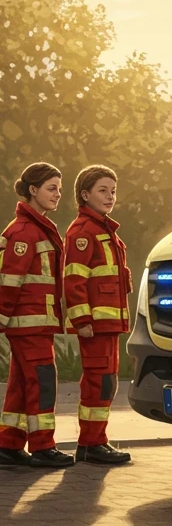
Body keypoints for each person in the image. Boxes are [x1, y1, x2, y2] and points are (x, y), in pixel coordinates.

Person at [0, 163, 74, 469]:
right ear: (33, 190)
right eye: (51, 188)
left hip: (37, 323)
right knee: (43, 382)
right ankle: (43, 447)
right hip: (28, 324)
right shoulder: (23, 232)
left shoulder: (38, 228)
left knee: (22, 384)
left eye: (59, 188)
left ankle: (8, 444)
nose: (58, 194)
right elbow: (8, 281)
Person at [63, 165, 132, 466]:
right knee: (98, 383)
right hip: (95, 326)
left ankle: (95, 441)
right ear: (85, 194)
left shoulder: (105, 231)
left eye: (113, 191)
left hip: (108, 325)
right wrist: (82, 320)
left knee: (107, 382)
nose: (110, 196)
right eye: (102, 190)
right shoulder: (82, 232)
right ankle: (91, 443)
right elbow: (73, 280)